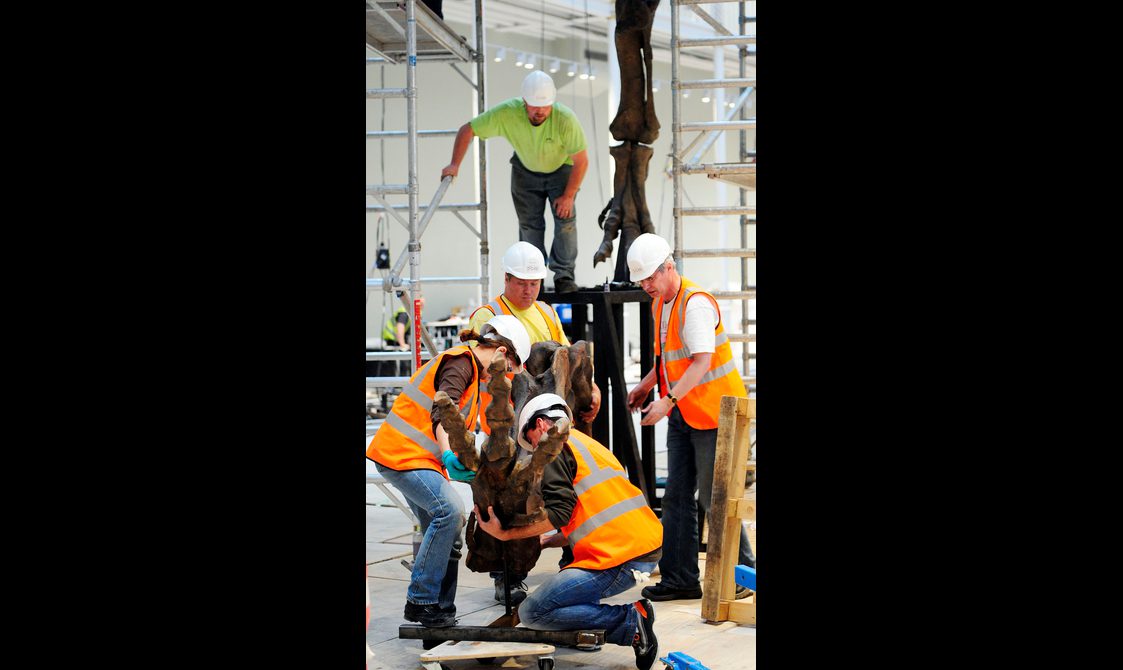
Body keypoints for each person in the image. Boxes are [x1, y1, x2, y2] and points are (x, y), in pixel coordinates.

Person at [474, 393, 662, 670]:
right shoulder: (589, 445)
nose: (535, 451)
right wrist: (550, 541)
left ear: (540, 425)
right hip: (642, 550)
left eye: (531, 440)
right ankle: (612, 622)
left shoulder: (554, 447)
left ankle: (630, 621)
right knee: (557, 602)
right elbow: (593, 514)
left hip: (620, 560)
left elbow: (560, 513)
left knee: (533, 611)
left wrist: (506, 534)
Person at [366, 314, 532, 627]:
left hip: (419, 458)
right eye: (509, 369)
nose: (505, 377)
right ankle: (421, 600)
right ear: (501, 354)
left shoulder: (474, 375)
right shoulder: (462, 364)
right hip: (402, 454)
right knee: (450, 512)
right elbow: (443, 410)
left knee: (449, 534)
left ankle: (439, 612)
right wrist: (446, 453)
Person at [467, 240, 602, 603]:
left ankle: (574, 558)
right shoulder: (486, 316)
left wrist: (591, 388)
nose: (528, 290)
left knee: (559, 493)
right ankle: (506, 574)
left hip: (541, 425)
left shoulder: (545, 312)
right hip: (506, 429)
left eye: (534, 283)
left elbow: (567, 356)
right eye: (521, 283)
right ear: (507, 279)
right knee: (510, 501)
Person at [624, 233, 756, 602]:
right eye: (641, 280)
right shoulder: (660, 303)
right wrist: (647, 384)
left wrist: (665, 400)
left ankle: (744, 574)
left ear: (669, 266)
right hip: (686, 410)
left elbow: (701, 362)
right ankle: (680, 578)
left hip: (717, 414)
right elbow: (670, 359)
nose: (646, 285)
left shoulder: (694, 304)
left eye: (651, 277)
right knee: (678, 496)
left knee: (719, 500)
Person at [442, 71, 589, 293]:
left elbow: (582, 161)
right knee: (530, 226)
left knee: (565, 221)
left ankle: (564, 276)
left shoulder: (565, 119)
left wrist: (569, 195)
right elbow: (468, 129)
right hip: (525, 172)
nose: (540, 111)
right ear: (524, 102)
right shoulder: (508, 113)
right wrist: (454, 164)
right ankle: (533, 276)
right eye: (534, 106)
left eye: (546, 106)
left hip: (561, 170)